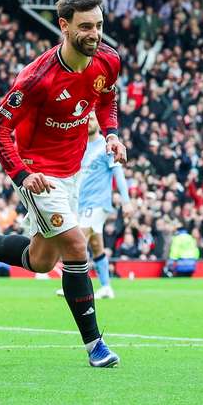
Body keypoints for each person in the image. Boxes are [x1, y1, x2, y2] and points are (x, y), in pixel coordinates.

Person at [0, 0, 126, 368]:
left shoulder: (108, 61)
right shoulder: (37, 78)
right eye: (85, 27)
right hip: (40, 174)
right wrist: (23, 175)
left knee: (40, 260)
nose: (94, 34)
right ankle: (95, 347)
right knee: (76, 247)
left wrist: (111, 134)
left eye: (99, 25)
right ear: (63, 26)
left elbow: (106, 98)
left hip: (73, 170)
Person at [55, 110, 131, 299]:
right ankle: (106, 286)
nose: (89, 122)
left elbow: (118, 174)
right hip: (80, 203)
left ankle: (72, 285)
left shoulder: (106, 146)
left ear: (99, 122)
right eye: (86, 119)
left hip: (98, 203)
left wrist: (126, 201)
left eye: (92, 119)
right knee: (96, 245)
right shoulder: (79, 146)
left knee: (77, 240)